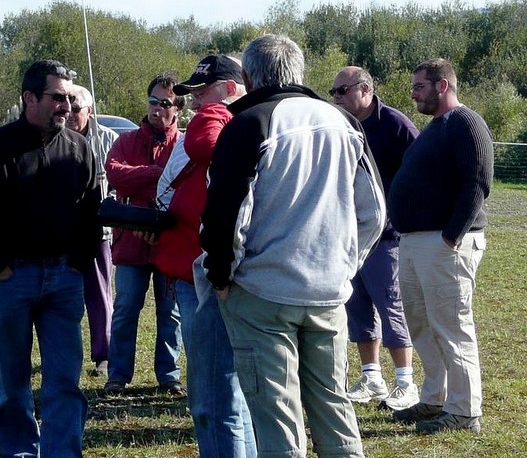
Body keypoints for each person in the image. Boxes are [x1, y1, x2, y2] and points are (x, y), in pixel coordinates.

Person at [199, 34, 385, 458]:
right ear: (298, 73)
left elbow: (227, 213)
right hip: (327, 292)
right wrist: (345, 265)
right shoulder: (344, 123)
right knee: (334, 409)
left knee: (277, 418)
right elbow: (373, 210)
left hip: (263, 293)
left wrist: (221, 274)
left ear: (247, 77)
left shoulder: (248, 124)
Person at [0, 60, 102, 457]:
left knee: (64, 381)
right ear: (29, 98)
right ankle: (19, 452)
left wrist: (77, 264)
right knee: (13, 382)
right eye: (57, 98)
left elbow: (92, 211)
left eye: (69, 99)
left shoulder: (80, 148)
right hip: (11, 281)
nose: (66, 106)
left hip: (63, 282)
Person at [153, 54, 257, 457]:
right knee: (226, 394)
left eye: (203, 94)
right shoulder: (225, 123)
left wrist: (216, 110)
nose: (195, 103)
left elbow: (202, 145)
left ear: (231, 90)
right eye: (193, 96)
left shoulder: (231, 123)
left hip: (216, 273)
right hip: (190, 268)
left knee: (215, 397)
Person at [388, 58, 494, 434]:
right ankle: (435, 398)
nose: (414, 93)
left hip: (444, 244)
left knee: (451, 325)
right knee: (421, 324)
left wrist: (452, 236)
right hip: (417, 243)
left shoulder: (465, 122)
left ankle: (465, 411)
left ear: (442, 86)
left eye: (419, 87)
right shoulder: (436, 127)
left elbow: (478, 181)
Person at [331, 66, 421, 410]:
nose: (336, 97)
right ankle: (372, 377)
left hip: (386, 237)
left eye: (342, 91)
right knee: (357, 305)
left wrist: (400, 214)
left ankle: (405, 382)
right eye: (333, 91)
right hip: (350, 235)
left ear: (365, 89)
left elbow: (419, 171)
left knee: (391, 305)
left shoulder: (396, 124)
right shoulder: (340, 125)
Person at [102, 72, 185, 396]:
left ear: (177, 108)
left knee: (171, 313)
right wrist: (159, 173)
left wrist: (146, 179)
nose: (157, 108)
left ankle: (169, 375)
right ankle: (118, 375)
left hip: (171, 242)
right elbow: (116, 175)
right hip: (132, 242)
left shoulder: (185, 144)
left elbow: (184, 184)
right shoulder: (126, 141)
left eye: (165, 103)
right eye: (153, 100)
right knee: (125, 309)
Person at [67, 84, 118, 377]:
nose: (71, 113)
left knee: (100, 294)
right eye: (67, 106)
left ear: (90, 110)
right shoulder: (57, 139)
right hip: (64, 233)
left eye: (77, 108)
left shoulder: (108, 140)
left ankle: (104, 354)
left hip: (99, 232)